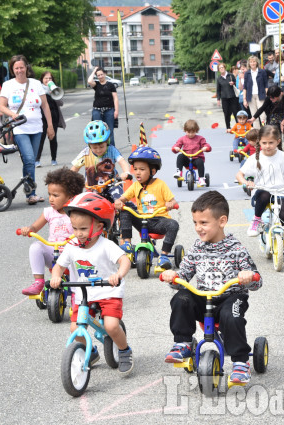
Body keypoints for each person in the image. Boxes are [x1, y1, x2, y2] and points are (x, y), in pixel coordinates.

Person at [160, 190, 263, 385]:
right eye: (195, 223)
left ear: (222, 221)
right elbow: (183, 276)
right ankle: (183, 342)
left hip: (230, 297)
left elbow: (257, 282)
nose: (198, 228)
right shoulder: (196, 249)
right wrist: (172, 278)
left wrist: (248, 276)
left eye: (204, 223)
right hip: (203, 297)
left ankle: (241, 362)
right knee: (181, 297)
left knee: (231, 316)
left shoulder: (236, 249)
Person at [49, 192, 134, 374]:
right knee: (75, 328)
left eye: (83, 229)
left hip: (108, 291)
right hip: (84, 294)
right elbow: (58, 266)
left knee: (111, 326)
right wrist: (56, 276)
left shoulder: (106, 245)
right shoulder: (72, 247)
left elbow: (124, 260)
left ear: (99, 226)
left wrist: (118, 275)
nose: (78, 234)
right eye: (75, 228)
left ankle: (124, 350)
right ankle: (92, 351)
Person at [235, 125, 284, 259]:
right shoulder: (255, 158)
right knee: (265, 193)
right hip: (262, 193)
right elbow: (239, 174)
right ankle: (256, 219)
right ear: (259, 142)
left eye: (271, 143)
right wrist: (246, 183)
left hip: (280, 192)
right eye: (264, 143)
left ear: (278, 141)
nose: (267, 146)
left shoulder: (282, 156)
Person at [18, 168, 86, 296]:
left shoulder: (77, 212)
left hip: (72, 254)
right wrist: (28, 230)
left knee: (76, 260)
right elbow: (35, 227)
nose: (51, 199)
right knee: (35, 247)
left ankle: (77, 295)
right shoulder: (49, 212)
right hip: (53, 253)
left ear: (71, 196)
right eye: (49, 194)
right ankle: (38, 282)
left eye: (55, 195)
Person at [0, 54, 55, 205]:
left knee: (30, 161)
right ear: (12, 69)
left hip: (37, 128)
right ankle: (31, 194)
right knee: (29, 159)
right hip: (19, 129)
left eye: (21, 67)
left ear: (26, 67)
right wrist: (13, 114)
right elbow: (2, 106)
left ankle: (30, 190)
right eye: (16, 68)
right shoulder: (8, 85)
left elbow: (45, 106)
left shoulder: (36, 84)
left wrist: (50, 126)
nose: (19, 70)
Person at [114, 146, 179, 270]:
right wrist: (119, 201)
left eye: (142, 169)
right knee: (125, 207)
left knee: (173, 224)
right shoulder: (135, 186)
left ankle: (164, 256)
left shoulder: (160, 184)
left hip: (159, 220)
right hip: (142, 219)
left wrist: (171, 204)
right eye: (136, 169)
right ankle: (127, 244)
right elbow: (123, 198)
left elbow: (173, 201)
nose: (137, 172)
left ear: (152, 171)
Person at [71, 120, 130, 202]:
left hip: (112, 185)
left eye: (102, 147)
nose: (98, 150)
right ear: (89, 145)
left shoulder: (112, 150)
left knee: (120, 201)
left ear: (107, 142)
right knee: (85, 205)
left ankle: (129, 213)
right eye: (94, 148)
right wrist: (68, 180)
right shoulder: (85, 153)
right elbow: (74, 169)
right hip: (92, 187)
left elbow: (122, 162)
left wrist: (126, 172)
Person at [247, 85, 284, 154]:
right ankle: (278, 149)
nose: (271, 99)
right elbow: (262, 108)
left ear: (279, 95)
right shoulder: (270, 97)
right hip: (274, 115)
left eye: (272, 98)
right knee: (274, 131)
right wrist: (253, 118)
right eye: (269, 97)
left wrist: (283, 123)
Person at [36, 71, 66, 167]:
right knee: (41, 138)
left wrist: (54, 93)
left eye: (50, 78)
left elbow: (61, 103)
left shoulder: (55, 89)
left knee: (53, 137)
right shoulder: (38, 89)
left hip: (54, 116)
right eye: (46, 78)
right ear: (42, 80)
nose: (48, 80)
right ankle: (37, 160)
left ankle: (54, 159)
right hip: (41, 117)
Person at [171, 120, 212, 187]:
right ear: (185, 130)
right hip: (187, 159)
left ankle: (201, 178)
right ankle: (179, 172)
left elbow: (206, 145)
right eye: (188, 132)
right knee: (180, 156)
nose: (190, 134)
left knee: (200, 161)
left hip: (196, 159)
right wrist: (175, 148)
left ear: (196, 131)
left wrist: (206, 147)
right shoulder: (182, 139)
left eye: (193, 132)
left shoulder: (200, 138)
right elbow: (177, 145)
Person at [88, 67, 118, 146]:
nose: (100, 76)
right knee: (98, 130)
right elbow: (89, 81)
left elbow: (115, 98)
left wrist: (116, 111)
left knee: (109, 130)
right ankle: (99, 148)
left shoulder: (111, 85)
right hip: (97, 110)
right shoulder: (96, 85)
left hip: (109, 110)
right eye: (98, 75)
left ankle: (111, 149)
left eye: (101, 74)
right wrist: (94, 70)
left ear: (105, 74)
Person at [243, 55, 268, 129]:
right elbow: (245, 87)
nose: (252, 63)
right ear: (249, 63)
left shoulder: (262, 72)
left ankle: (264, 130)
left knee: (262, 115)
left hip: (261, 95)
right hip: (250, 96)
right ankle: (257, 133)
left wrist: (267, 96)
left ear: (257, 62)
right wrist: (244, 99)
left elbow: (266, 84)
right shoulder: (247, 73)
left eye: (254, 61)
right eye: (251, 62)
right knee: (254, 115)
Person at [216, 62, 240, 130]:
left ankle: (238, 127)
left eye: (222, 67)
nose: (221, 69)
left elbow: (236, 84)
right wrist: (218, 99)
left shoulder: (230, 75)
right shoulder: (219, 79)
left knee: (235, 112)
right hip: (224, 98)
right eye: (220, 68)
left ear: (225, 68)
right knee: (226, 113)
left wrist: (233, 83)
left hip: (233, 97)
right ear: (218, 70)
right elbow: (218, 90)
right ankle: (228, 127)